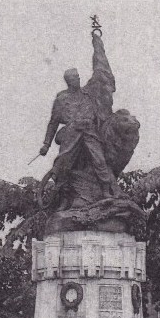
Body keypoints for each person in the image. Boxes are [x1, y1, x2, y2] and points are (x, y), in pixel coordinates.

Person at [39, 32, 118, 200]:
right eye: (74, 78)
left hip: (89, 131)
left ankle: (105, 191)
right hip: (71, 133)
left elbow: (99, 74)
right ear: (68, 81)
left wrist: (97, 45)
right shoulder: (62, 99)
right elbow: (53, 123)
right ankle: (63, 197)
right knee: (63, 165)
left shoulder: (88, 93)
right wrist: (46, 144)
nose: (78, 80)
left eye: (78, 77)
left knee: (99, 160)